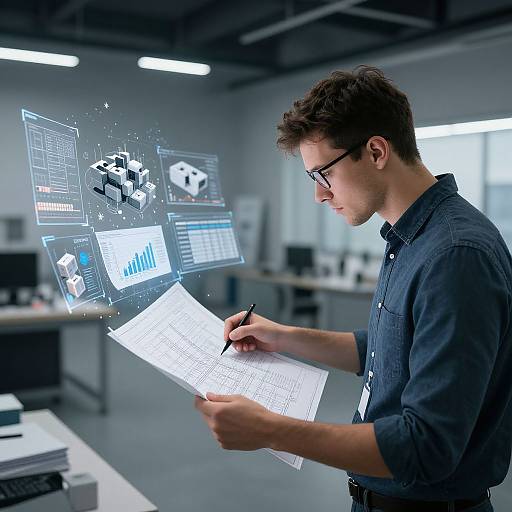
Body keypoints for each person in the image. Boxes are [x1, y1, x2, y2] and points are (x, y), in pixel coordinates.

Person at [195, 66, 512, 512]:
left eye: (323, 174)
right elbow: (388, 351)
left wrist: (270, 430)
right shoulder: (410, 238)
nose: (319, 196)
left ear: (377, 151)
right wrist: (284, 336)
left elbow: (428, 446)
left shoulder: (455, 255)